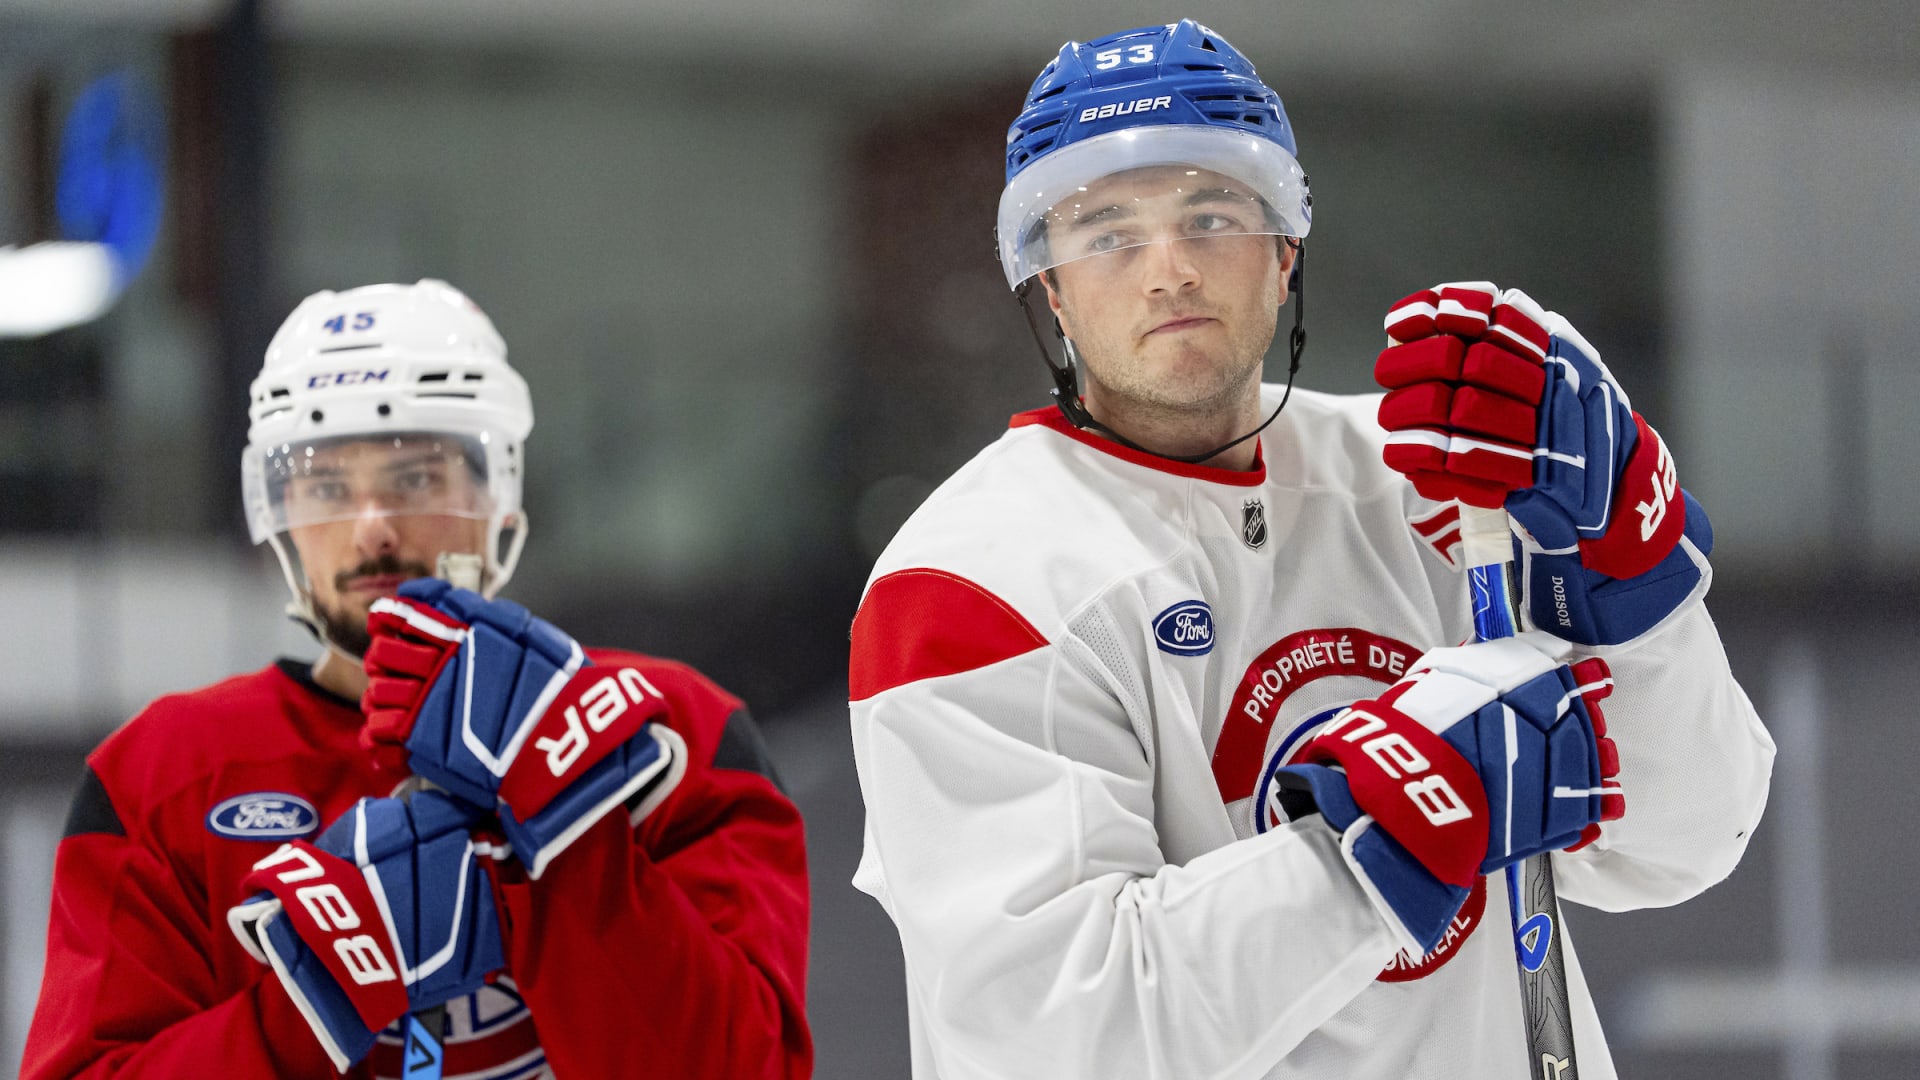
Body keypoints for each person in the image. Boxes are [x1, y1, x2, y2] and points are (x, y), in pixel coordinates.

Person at [847, 19, 1773, 1079]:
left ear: (1283, 252)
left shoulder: (1434, 481)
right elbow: (1054, 1039)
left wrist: (1629, 579)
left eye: (1210, 216)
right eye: (1106, 234)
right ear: (1051, 289)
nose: (1167, 271)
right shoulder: (969, 581)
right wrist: (1384, 837)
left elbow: (1683, 841)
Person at [23, 280, 812, 1079]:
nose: (373, 528)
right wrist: (311, 1002)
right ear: (279, 515)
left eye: (416, 477)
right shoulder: (164, 774)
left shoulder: (665, 732)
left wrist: (570, 830)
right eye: (327, 486)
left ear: (498, 498)